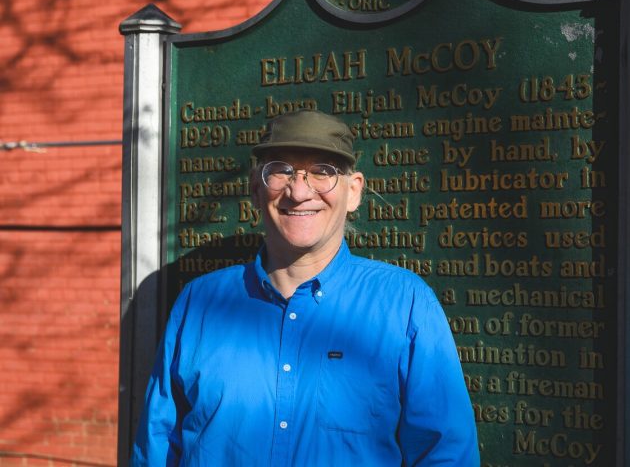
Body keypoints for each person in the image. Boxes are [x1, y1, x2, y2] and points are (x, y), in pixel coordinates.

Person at [131, 109, 479, 466]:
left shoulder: (406, 304)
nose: (298, 191)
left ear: (354, 190)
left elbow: (446, 454)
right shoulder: (199, 303)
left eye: (322, 171)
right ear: (256, 187)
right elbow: (157, 445)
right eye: (280, 170)